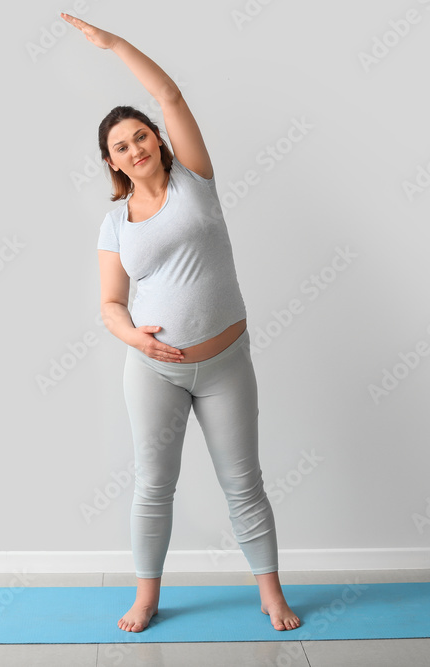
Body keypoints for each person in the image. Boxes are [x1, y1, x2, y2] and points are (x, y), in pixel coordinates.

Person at [62, 12, 301, 634]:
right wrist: (134, 336)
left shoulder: (196, 182)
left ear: (158, 142)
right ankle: (146, 597)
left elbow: (168, 93)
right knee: (154, 486)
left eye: (141, 136)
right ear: (111, 163)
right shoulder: (114, 225)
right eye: (121, 146)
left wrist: (114, 46)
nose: (135, 148)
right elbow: (111, 304)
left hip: (224, 364)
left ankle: (270, 594)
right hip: (153, 369)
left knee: (243, 481)